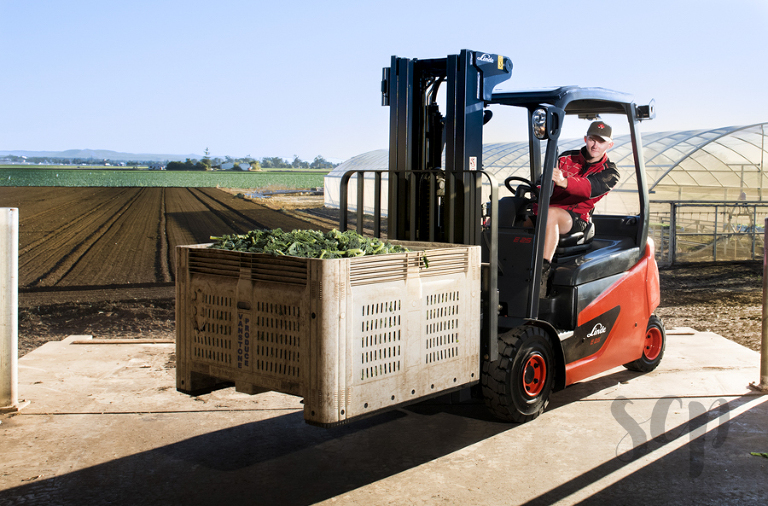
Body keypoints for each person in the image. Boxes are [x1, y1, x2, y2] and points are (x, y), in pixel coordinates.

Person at [530, 120, 620, 296]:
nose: (595, 145)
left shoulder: (610, 172)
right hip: (548, 210)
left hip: (577, 219)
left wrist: (564, 182)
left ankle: (542, 273)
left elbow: (589, 188)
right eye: (592, 139)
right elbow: (543, 183)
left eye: (601, 141)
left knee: (550, 215)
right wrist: (540, 189)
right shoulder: (565, 158)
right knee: (510, 213)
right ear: (586, 138)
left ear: (609, 144)